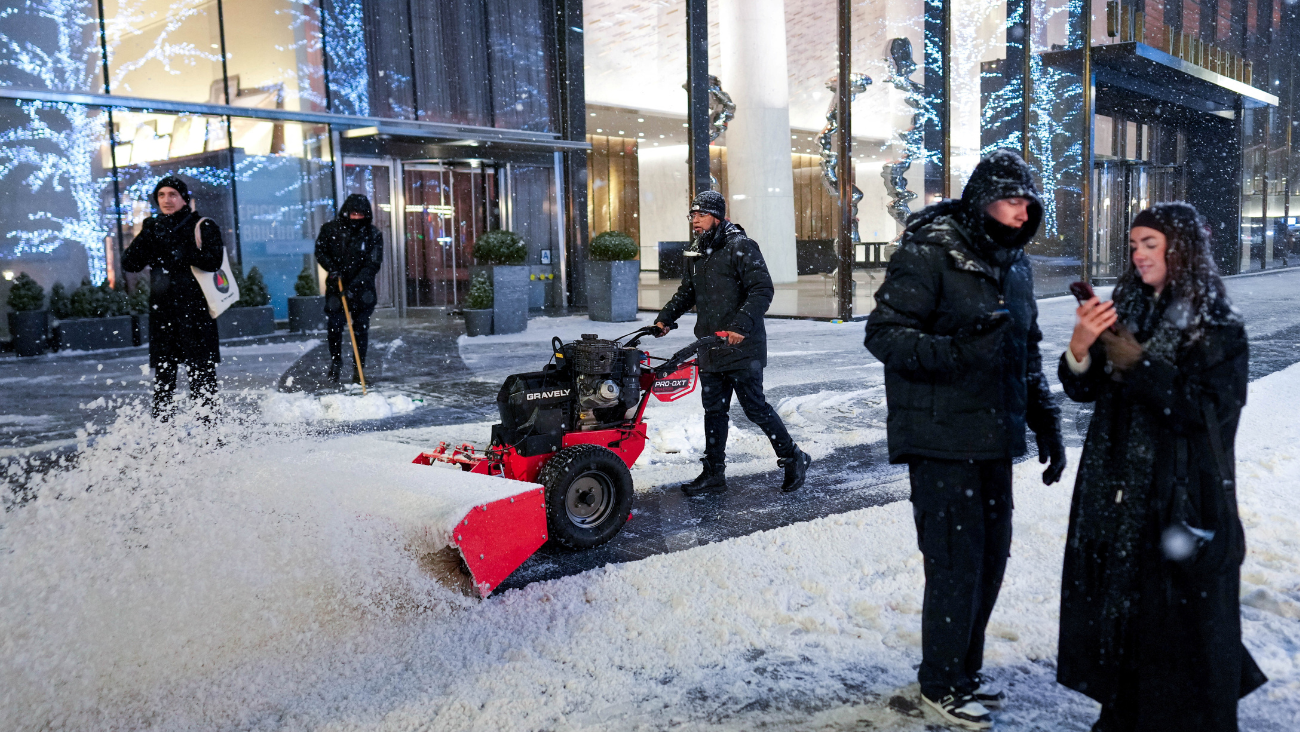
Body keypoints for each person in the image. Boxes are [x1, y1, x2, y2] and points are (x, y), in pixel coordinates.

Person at [864, 150, 1065, 730]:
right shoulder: (930, 253)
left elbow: (1025, 348)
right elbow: (884, 335)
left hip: (994, 436)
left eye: (1027, 202)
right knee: (955, 563)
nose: (1019, 211)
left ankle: (964, 670)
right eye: (1009, 200)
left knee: (991, 560)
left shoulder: (1016, 263)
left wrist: (1043, 417)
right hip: (939, 436)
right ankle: (941, 682)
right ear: (981, 202)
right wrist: (954, 352)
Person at [1057, 203, 1266, 732]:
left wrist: (1142, 367)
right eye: (1134, 245)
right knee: (1130, 615)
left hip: (1183, 495)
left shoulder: (1215, 324)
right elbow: (1086, 390)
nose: (1139, 254)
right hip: (1121, 493)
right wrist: (1082, 347)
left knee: (1185, 625)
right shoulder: (1129, 308)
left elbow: (1210, 415)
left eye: (1151, 243)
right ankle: (1126, 714)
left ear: (1183, 250)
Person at [652, 190, 811, 495]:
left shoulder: (741, 246)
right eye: (692, 215)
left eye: (700, 215)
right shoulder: (697, 251)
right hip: (711, 345)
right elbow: (688, 292)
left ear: (717, 216)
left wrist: (741, 326)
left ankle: (794, 457)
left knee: (755, 408)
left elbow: (762, 290)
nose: (695, 221)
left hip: (741, 345)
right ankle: (714, 474)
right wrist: (665, 319)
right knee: (714, 411)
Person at [122, 175, 225, 419]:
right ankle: (163, 438)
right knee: (163, 380)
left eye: (172, 195)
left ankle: (210, 436)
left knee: (202, 376)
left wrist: (184, 252)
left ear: (183, 199)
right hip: (164, 312)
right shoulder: (153, 227)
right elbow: (131, 263)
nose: (166, 200)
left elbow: (213, 261)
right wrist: (149, 234)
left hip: (196, 312)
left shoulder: (203, 225)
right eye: (161, 195)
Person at [315, 194, 384, 383]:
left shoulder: (373, 234)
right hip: (336, 289)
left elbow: (373, 264)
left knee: (360, 329)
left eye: (360, 215)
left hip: (363, 292)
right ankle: (336, 363)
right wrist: (331, 267)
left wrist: (354, 287)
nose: (355, 218)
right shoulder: (330, 230)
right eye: (352, 214)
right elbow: (320, 251)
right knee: (335, 327)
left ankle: (358, 370)